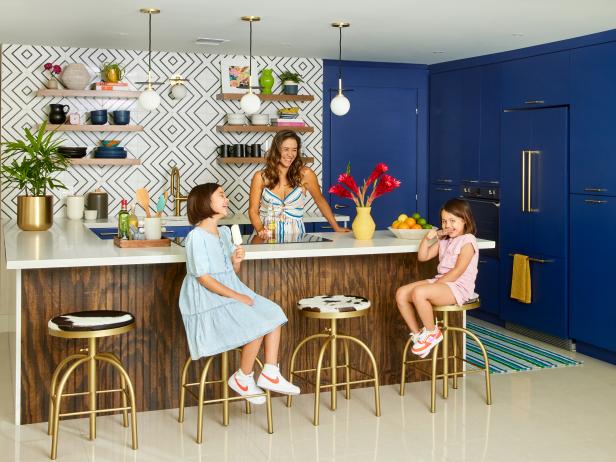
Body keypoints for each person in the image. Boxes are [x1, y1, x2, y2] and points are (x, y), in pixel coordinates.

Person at [179, 183, 300, 403]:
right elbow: (204, 278)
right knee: (254, 323)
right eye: (221, 195)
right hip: (208, 299)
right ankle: (243, 377)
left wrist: (236, 262)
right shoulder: (196, 237)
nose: (226, 199)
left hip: (230, 291)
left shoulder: (224, 233)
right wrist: (237, 297)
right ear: (206, 202)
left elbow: (229, 273)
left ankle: (271, 372)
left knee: (273, 312)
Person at [395, 198, 479, 358]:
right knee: (401, 293)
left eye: (452, 221)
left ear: (465, 220)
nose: (447, 225)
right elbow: (423, 256)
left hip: (457, 287)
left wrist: (434, 286)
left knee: (419, 292)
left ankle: (433, 333)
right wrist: (427, 239)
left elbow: (459, 270)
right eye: (444, 221)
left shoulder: (468, 241)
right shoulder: (444, 240)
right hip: (441, 282)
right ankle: (419, 336)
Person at [249, 130, 349, 239]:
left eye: (294, 150)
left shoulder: (306, 175)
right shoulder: (260, 177)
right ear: (276, 150)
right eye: (286, 149)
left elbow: (320, 201)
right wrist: (260, 229)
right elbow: (253, 210)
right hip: (266, 235)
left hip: (295, 236)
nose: (290, 154)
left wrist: (336, 227)